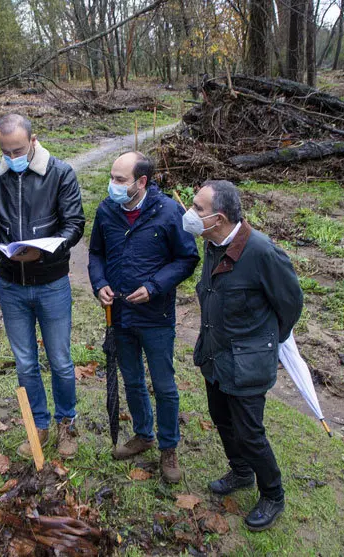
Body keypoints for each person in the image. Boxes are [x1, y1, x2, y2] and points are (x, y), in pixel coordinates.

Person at [0, 114, 85, 459]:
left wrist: (46, 249)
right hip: (12, 285)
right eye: (5, 151)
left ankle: (67, 424)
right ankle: (39, 426)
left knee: (60, 360)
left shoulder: (60, 173)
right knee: (25, 364)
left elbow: (74, 223)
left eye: (17, 149)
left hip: (52, 282)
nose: (11, 157)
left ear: (33, 140)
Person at [184, 179, 303, 532]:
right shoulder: (212, 242)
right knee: (221, 417)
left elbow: (291, 305)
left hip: (247, 364)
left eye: (198, 209)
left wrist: (264, 343)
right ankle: (241, 471)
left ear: (218, 218)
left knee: (250, 432)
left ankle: (273, 494)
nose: (190, 214)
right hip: (215, 356)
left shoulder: (262, 252)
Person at [88, 152, 199, 483]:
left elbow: (187, 258)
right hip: (119, 313)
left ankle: (169, 447)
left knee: (164, 385)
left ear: (142, 182)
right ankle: (142, 434)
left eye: (120, 180)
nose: (113, 185)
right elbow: (95, 253)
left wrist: (154, 287)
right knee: (132, 378)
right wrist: (100, 283)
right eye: (112, 177)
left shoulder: (168, 211)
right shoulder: (107, 210)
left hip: (156, 315)